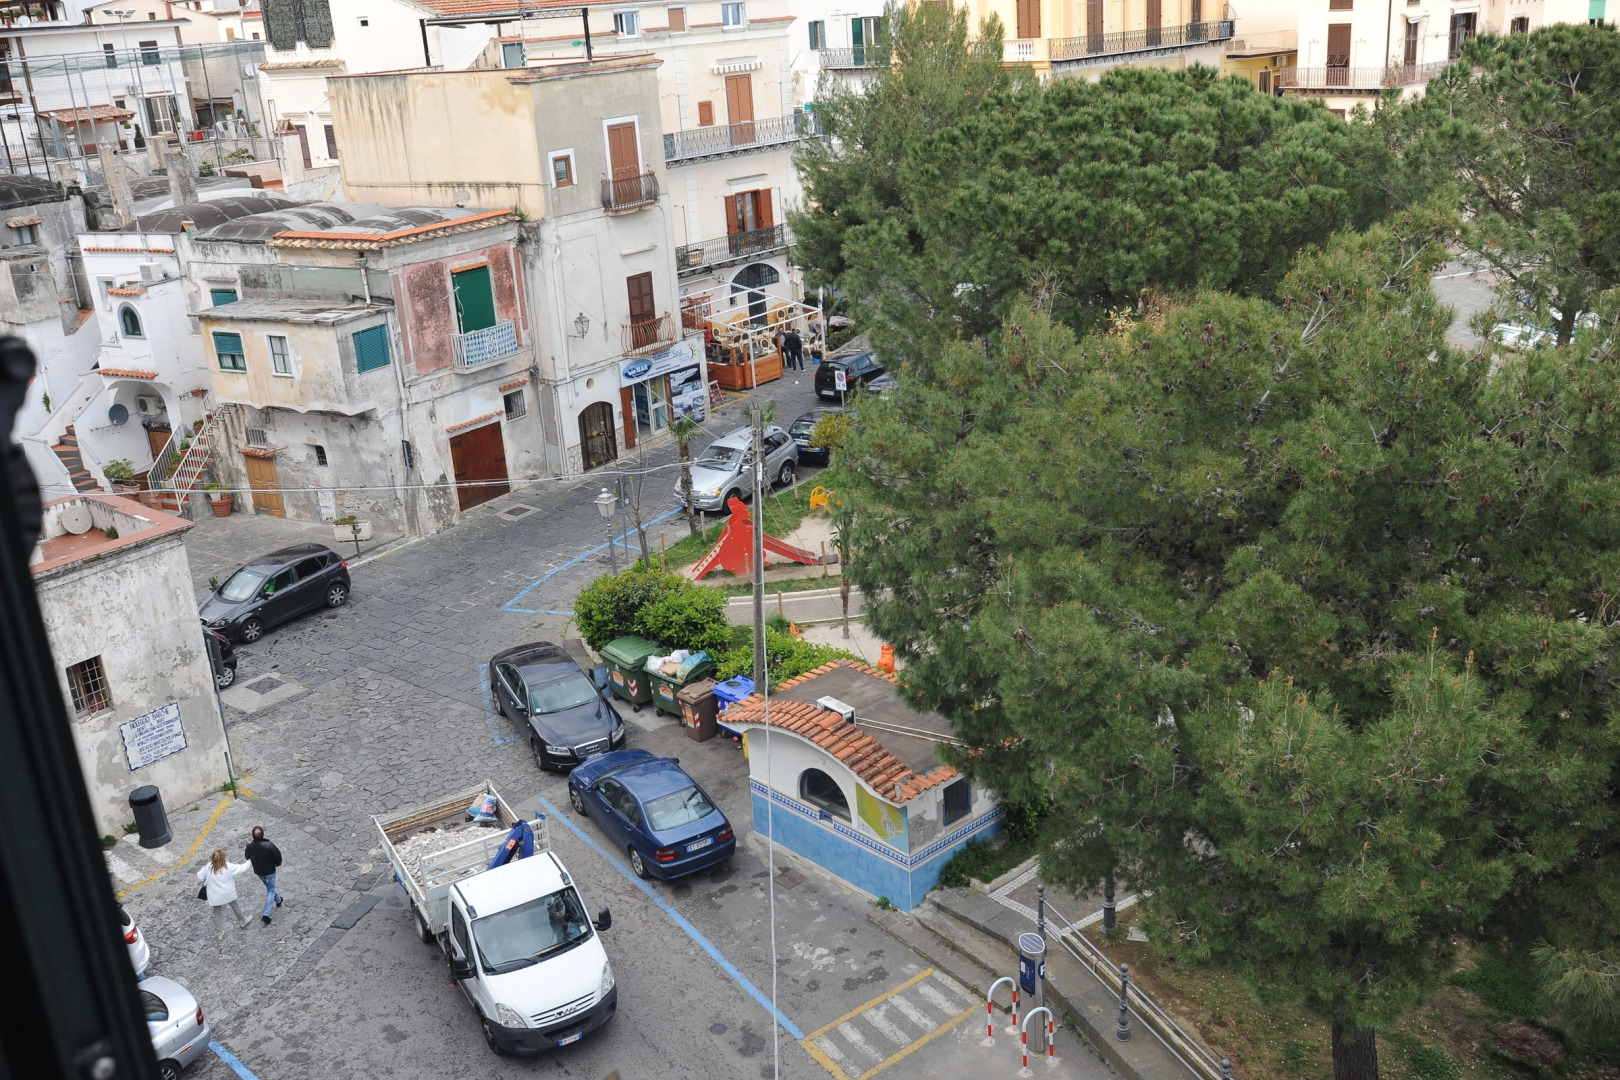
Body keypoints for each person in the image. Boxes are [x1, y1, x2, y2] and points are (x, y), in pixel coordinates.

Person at [198, 849, 253, 940]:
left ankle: (220, 932)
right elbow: (243, 868)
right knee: (235, 906)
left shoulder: (208, 867)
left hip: (215, 895)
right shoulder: (228, 867)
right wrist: (250, 860)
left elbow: (199, 876)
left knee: (217, 912)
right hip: (228, 894)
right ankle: (242, 921)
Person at [245, 825, 284, 925]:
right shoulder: (269, 845)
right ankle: (266, 915)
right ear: (262, 835)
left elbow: (247, 856)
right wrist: (278, 864)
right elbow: (277, 855)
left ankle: (278, 900)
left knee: (270, 887)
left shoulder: (250, 846)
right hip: (270, 871)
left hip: (259, 871)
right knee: (270, 890)